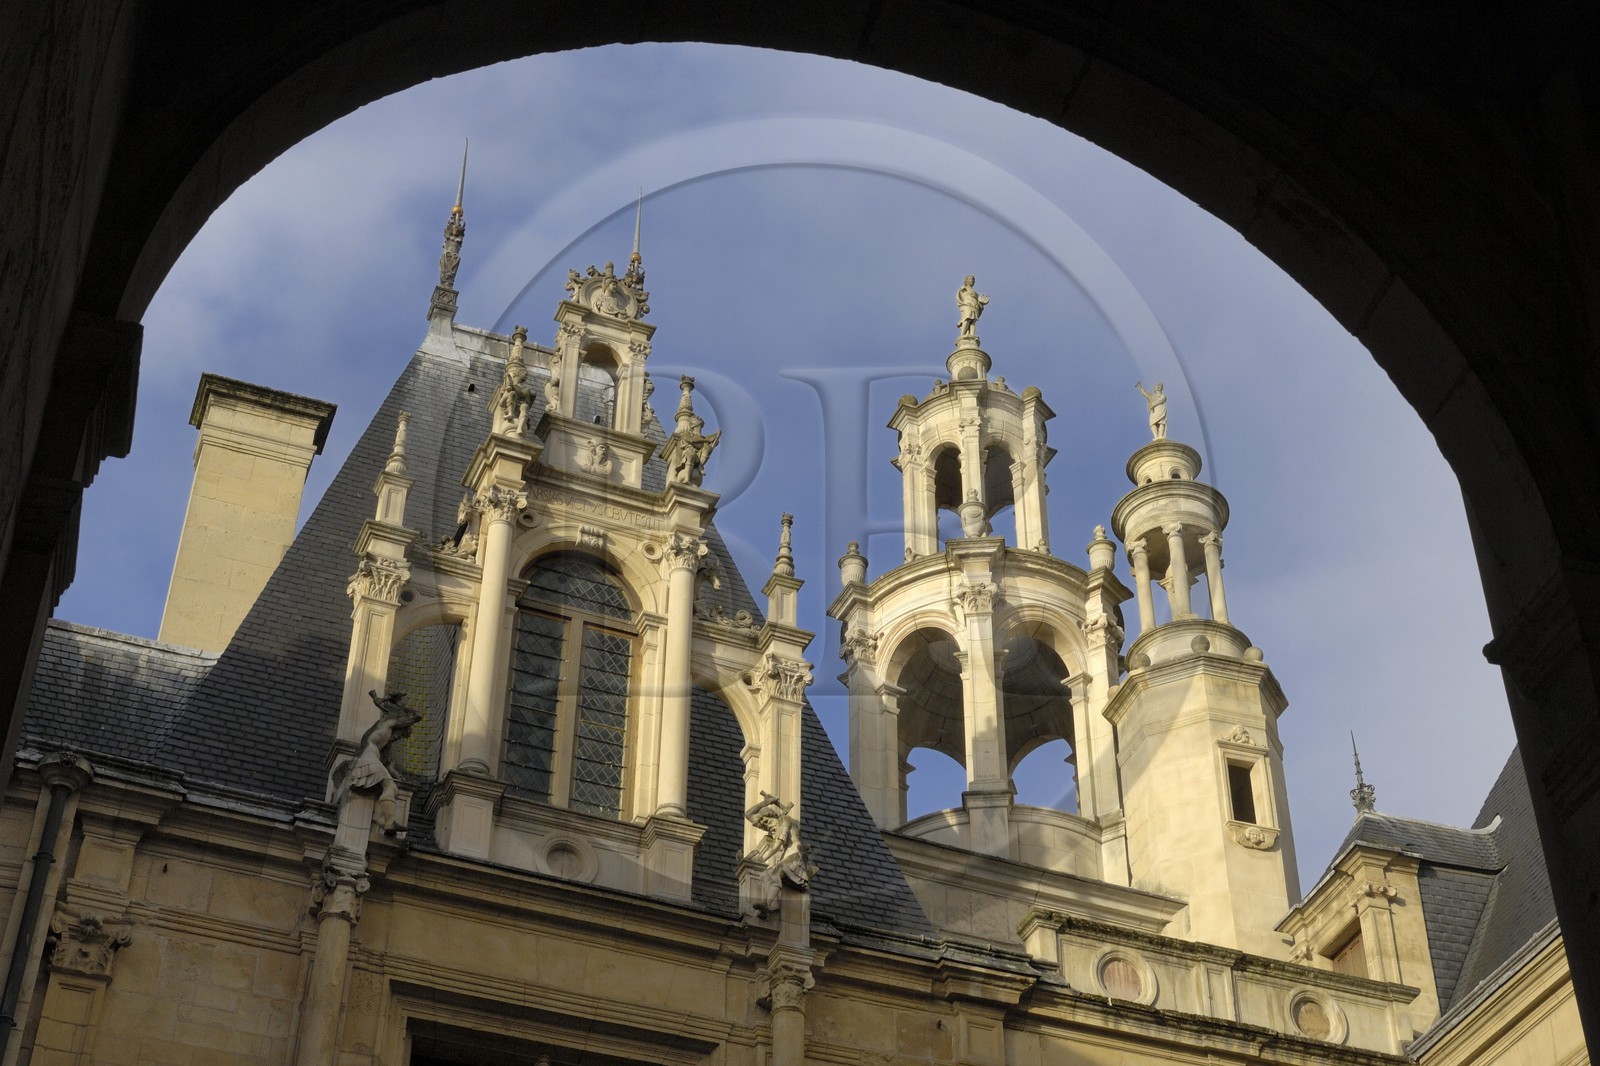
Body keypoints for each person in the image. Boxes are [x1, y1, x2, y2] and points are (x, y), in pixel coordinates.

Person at [956, 275, 989, 340]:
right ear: (966, 280)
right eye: (970, 279)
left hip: (974, 306)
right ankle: (962, 335)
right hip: (967, 305)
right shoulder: (963, 288)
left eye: (973, 280)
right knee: (967, 319)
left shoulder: (975, 293)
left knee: (973, 321)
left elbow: (979, 302)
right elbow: (960, 296)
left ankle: (972, 335)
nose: (972, 281)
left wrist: (982, 303)